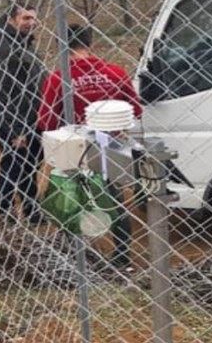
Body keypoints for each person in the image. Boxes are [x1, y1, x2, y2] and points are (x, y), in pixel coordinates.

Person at [37, 25, 143, 268]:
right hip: (111, 146)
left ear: (61, 48)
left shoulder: (59, 78)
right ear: (89, 43)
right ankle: (121, 254)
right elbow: (135, 109)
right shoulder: (114, 72)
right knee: (113, 198)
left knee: (68, 199)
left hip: (76, 148)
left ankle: (77, 255)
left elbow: (47, 119)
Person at [0, 4, 46, 225]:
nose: (31, 22)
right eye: (26, 18)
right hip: (15, 120)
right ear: (11, 19)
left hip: (32, 116)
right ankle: (5, 212)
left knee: (29, 166)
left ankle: (31, 209)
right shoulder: (3, 49)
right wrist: (16, 130)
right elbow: (2, 93)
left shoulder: (24, 45)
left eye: (33, 18)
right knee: (14, 165)